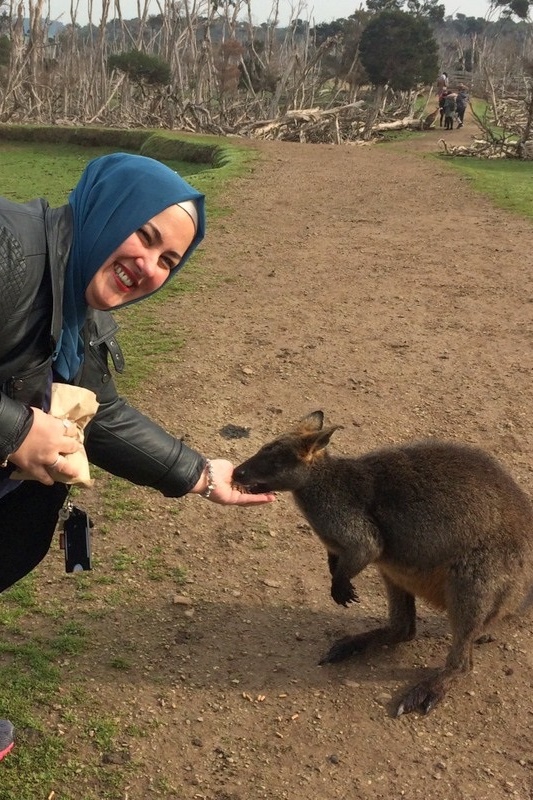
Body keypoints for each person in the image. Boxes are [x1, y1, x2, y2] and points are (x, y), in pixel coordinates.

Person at [0, 152, 276, 760]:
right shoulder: (10, 247)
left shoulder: (82, 306)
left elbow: (103, 413)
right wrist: (16, 430)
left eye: (167, 261)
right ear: (108, 209)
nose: (147, 267)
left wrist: (202, 474)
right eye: (145, 237)